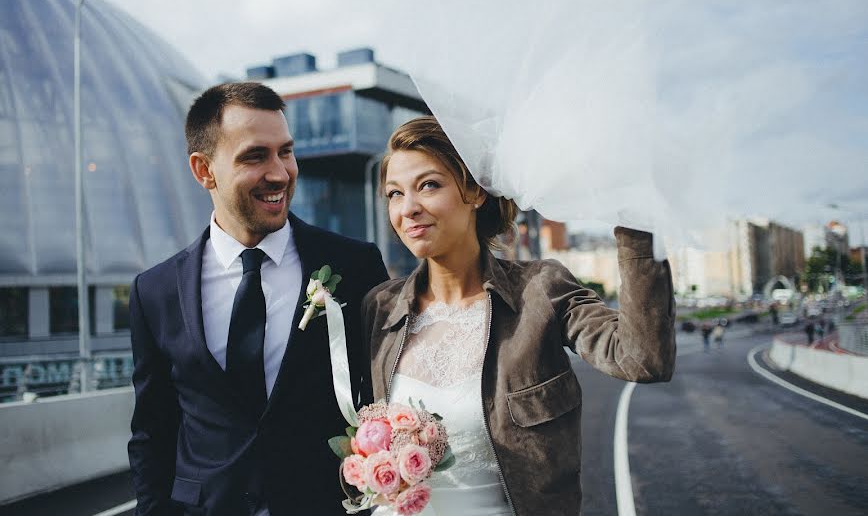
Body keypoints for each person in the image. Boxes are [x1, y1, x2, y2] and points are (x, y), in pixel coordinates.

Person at [360, 117, 676, 516]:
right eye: (394, 193)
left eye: (429, 185)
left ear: (474, 190)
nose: (408, 209)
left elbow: (643, 358)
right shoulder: (379, 308)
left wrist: (637, 224)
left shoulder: (540, 290)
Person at [128, 83, 388, 515]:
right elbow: (152, 432)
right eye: (255, 156)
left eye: (285, 151)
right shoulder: (155, 291)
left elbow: (383, 394)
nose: (281, 173)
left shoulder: (355, 265)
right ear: (203, 170)